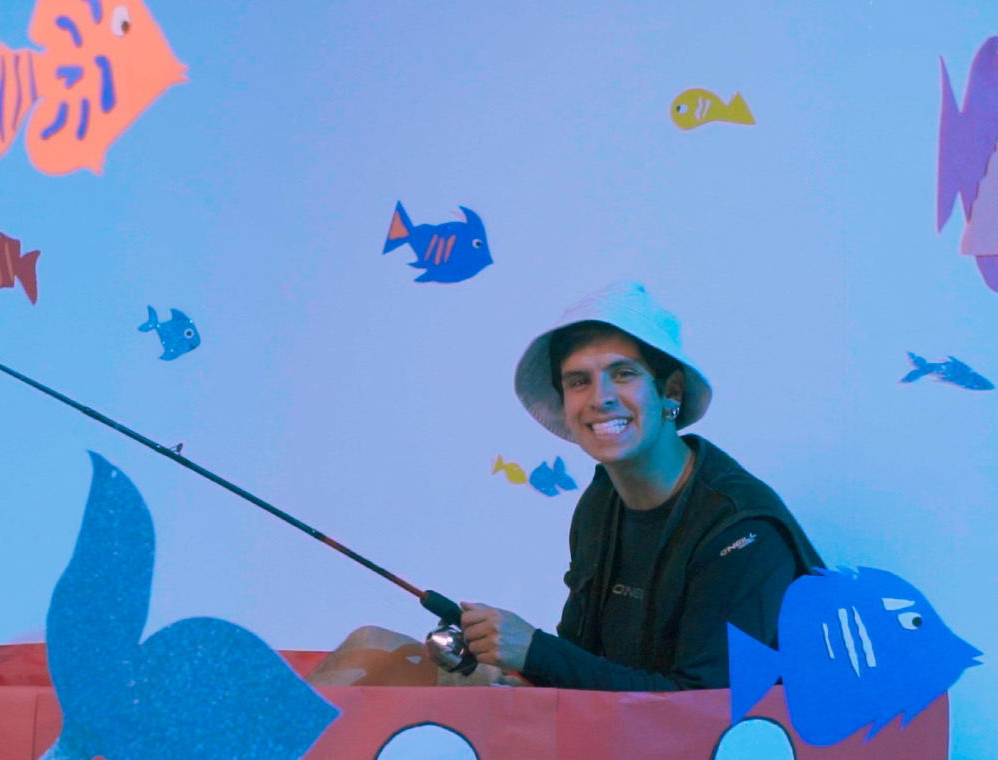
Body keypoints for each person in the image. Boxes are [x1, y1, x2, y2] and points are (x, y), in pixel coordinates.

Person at [307, 282, 822, 690]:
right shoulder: (601, 501)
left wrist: (535, 652)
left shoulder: (742, 532)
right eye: (579, 381)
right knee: (371, 646)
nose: (599, 398)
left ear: (670, 391)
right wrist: (510, 661)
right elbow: (583, 661)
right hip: (613, 732)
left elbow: (703, 714)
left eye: (623, 374)